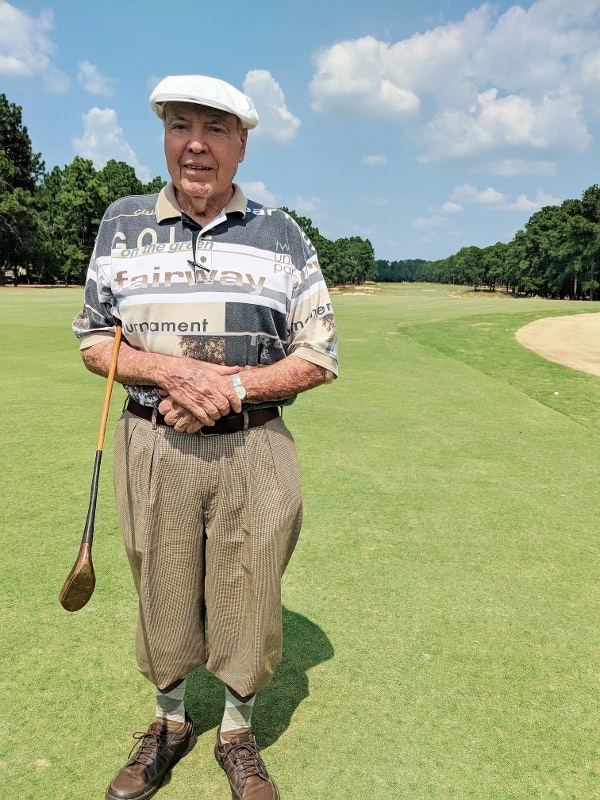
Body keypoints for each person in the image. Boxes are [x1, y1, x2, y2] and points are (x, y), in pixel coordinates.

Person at [72, 74, 338, 800]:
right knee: (158, 581)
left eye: (215, 129)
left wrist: (227, 391)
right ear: (164, 136)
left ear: (242, 144)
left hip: (254, 446)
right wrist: (167, 373)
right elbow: (96, 342)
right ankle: (169, 721)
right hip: (151, 442)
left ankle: (236, 730)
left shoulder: (282, 235)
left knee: (250, 587)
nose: (196, 144)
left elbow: (319, 356)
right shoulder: (122, 223)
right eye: (181, 125)